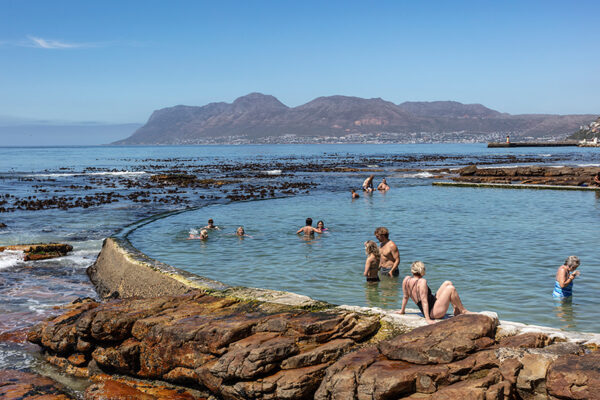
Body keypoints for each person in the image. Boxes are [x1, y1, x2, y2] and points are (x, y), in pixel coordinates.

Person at [398, 261, 469, 324]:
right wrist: (428, 319)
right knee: (451, 288)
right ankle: (463, 311)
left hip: (433, 303)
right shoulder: (422, 281)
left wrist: (402, 311)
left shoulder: (406, 279)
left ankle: (456, 310)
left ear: (412, 270)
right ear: (422, 270)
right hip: (433, 312)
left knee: (447, 283)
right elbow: (424, 301)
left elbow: (405, 297)